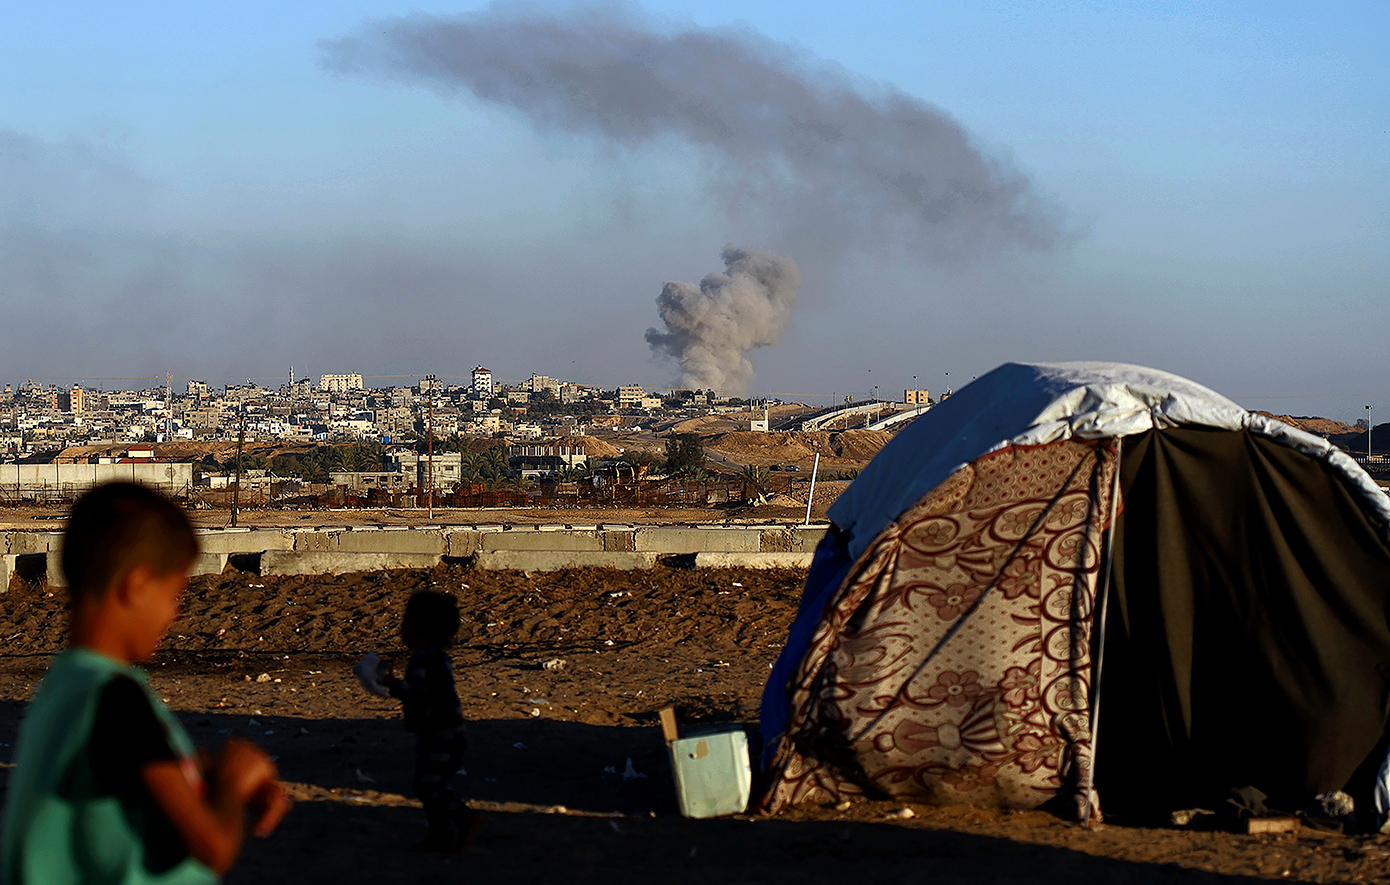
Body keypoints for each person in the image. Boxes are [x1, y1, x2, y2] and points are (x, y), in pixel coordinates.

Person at [1, 482, 290, 884]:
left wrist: (207, 773)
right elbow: (213, 848)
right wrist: (231, 781)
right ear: (136, 585)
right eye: (173, 595)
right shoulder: (115, 697)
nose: (173, 615)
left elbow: (126, 768)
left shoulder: (66, 684)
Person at [379, 590, 479, 852]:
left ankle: (462, 819)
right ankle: (440, 833)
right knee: (429, 784)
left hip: (441, 733)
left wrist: (392, 684)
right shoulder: (435, 657)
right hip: (442, 732)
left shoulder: (424, 659)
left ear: (418, 626)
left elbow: (420, 693)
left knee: (428, 785)